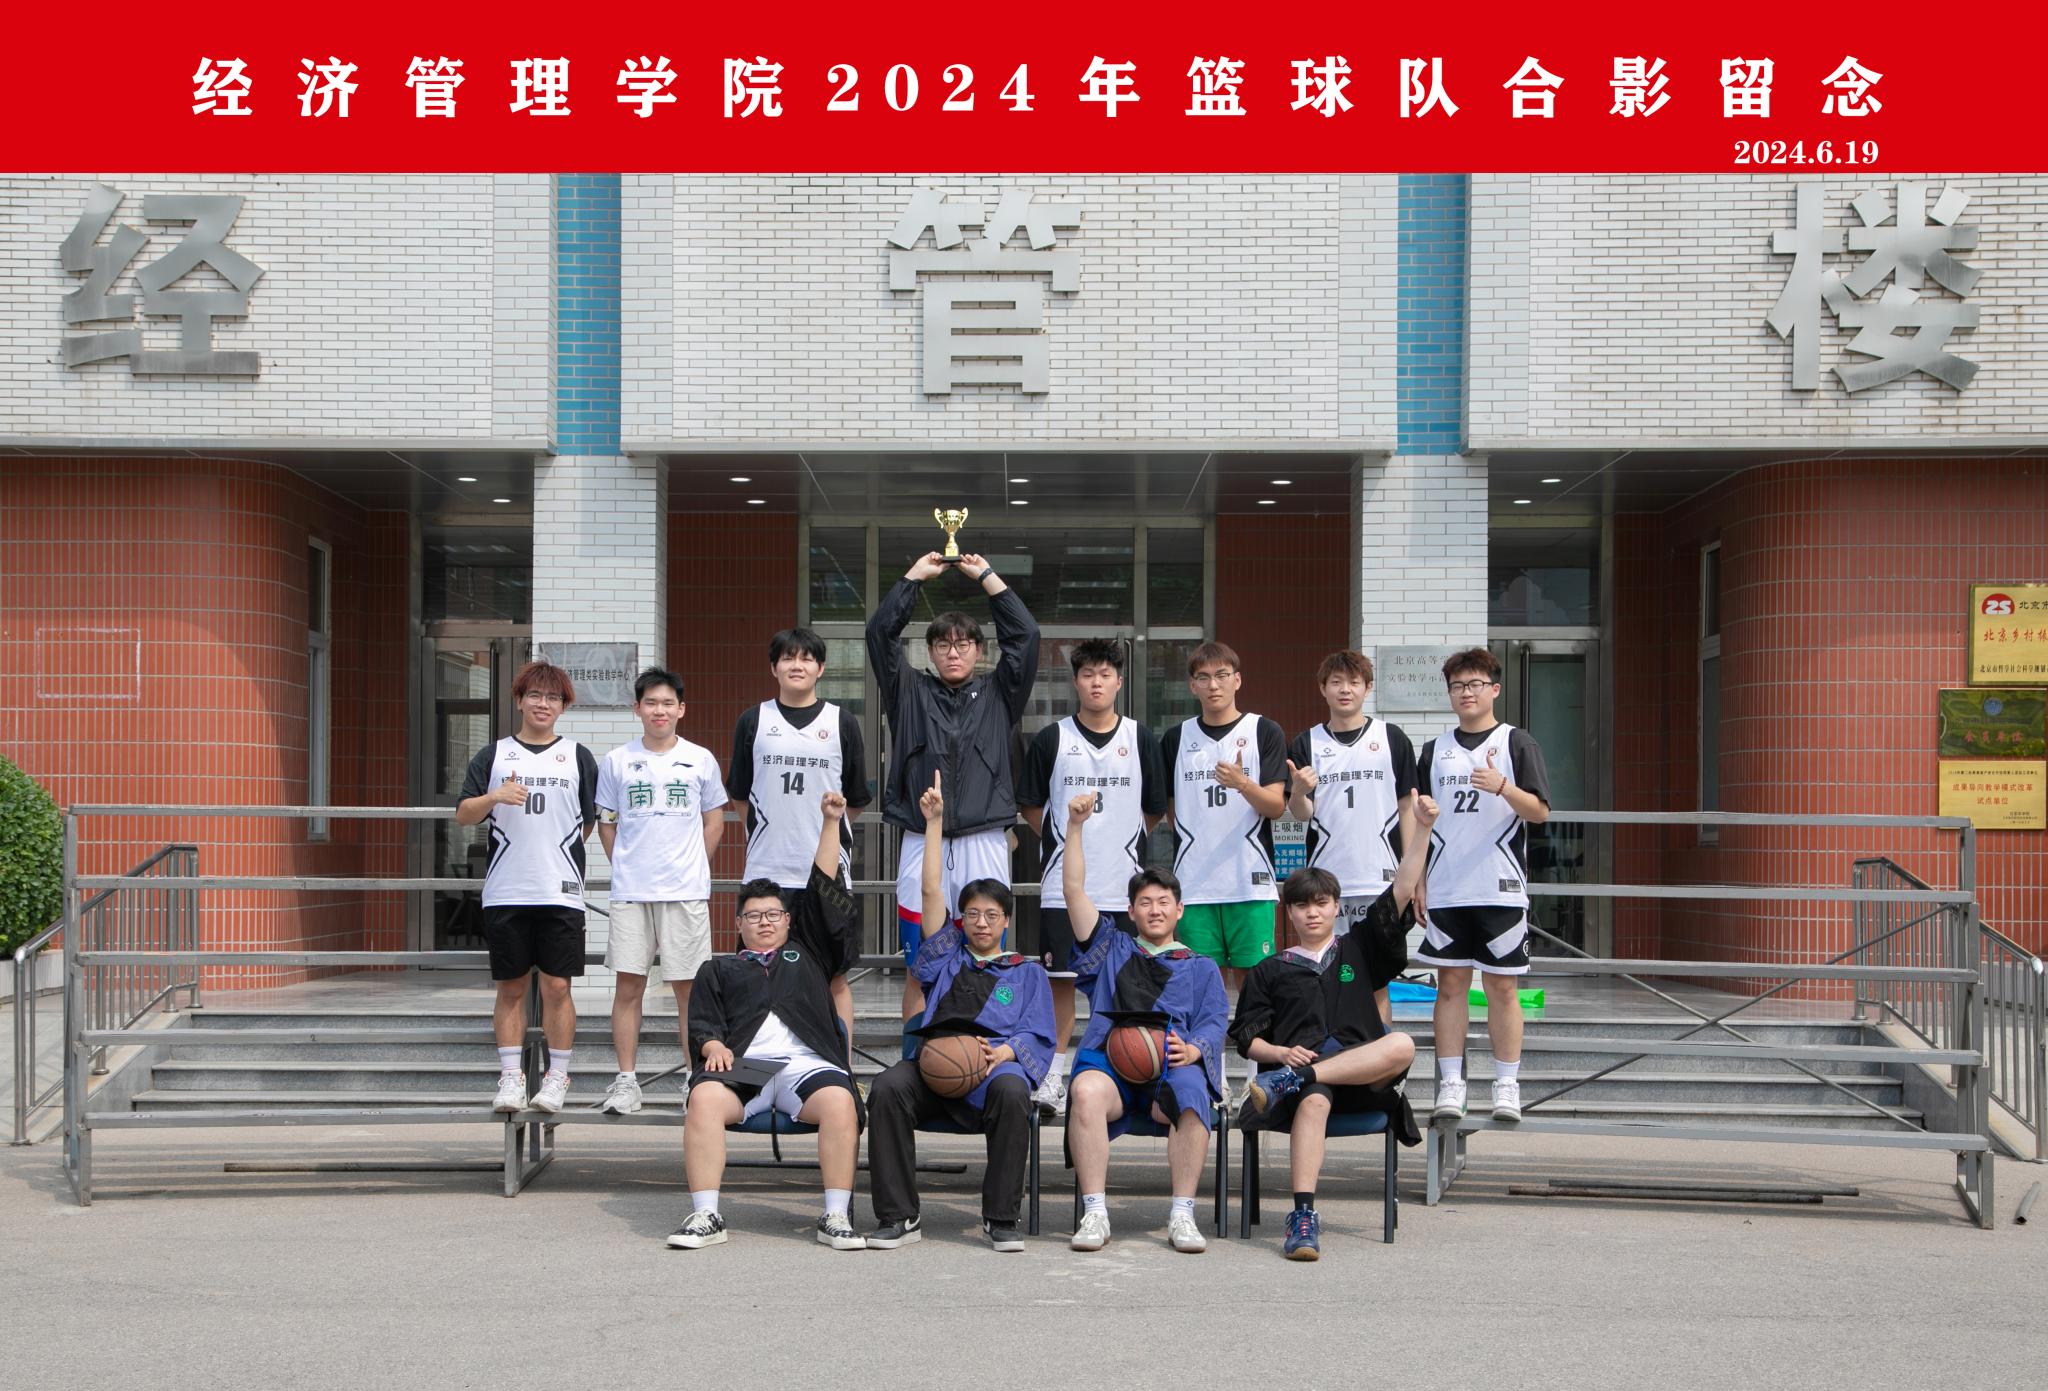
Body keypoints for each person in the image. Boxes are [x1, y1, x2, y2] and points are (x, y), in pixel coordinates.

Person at [1229, 794, 1436, 1260]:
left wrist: (1421, 828)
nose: (1312, 912)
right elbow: (1246, 1039)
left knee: (1400, 1043)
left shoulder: (1358, 947)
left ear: (1337, 906)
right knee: (1314, 1099)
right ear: (1289, 912)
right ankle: (1303, 1216)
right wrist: (1280, 1055)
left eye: (1321, 903)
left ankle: (1299, 1078)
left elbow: (1402, 889)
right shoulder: (1270, 970)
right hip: (1306, 1083)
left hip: (1363, 1078)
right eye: (1302, 905)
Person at [865, 772, 1056, 1252]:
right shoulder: (946, 956)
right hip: (938, 1068)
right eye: (973, 914)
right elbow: (931, 893)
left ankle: (1001, 1219)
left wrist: (1007, 1053)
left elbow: (1038, 1034)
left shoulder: (1026, 972)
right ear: (962, 919)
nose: (982, 923)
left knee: (1014, 1092)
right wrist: (933, 823)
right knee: (888, 1087)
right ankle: (899, 1216)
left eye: (992, 915)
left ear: (1006, 920)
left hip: (991, 1072)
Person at [669, 790, 867, 1251]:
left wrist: (831, 822)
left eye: (773, 914)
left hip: (806, 1064)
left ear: (788, 921)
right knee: (704, 1099)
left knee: (840, 1102)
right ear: (738, 924)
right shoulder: (719, 969)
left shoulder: (809, 954)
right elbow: (701, 1022)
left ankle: (836, 1216)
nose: (764, 922)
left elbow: (823, 886)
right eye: (753, 915)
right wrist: (712, 1045)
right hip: (748, 1065)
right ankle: (706, 1215)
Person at [867, 549, 1039, 1020]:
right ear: (930, 652)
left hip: (984, 838)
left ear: (980, 651)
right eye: (943, 644)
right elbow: (879, 634)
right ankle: (916, 1058)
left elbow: (1026, 636)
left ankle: (982, 1048)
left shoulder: (1000, 694)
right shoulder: (908, 691)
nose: (954, 652)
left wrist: (987, 577)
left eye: (964, 644)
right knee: (919, 965)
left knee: (987, 954)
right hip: (922, 837)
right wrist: (912, 578)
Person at [1059, 792, 1228, 1254]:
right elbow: (1073, 891)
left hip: (1171, 1069)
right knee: (1085, 1090)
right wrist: (1075, 827)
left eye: (1164, 902)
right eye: (1145, 902)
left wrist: (1194, 1050)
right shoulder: (1112, 949)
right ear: (1130, 911)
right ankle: (1095, 1212)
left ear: (1179, 910)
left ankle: (1182, 1214)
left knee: (1194, 1096)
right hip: (1112, 1065)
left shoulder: (1200, 967)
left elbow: (1214, 1023)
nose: (1155, 910)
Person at [1017, 638, 1168, 1114]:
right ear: (1076, 681)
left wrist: (1121, 842)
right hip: (1064, 888)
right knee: (1059, 984)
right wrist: (1067, 841)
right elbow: (1030, 805)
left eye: (1105, 674)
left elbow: (1154, 808)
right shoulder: (1052, 739)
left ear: (1119, 681)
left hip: (1123, 887)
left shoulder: (1140, 738)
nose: (1096, 682)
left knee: (1124, 985)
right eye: (1088, 675)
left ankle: (1123, 1074)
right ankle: (1052, 1077)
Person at [454, 660, 599, 1115]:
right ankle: (511, 1077)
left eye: (553, 697)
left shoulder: (577, 756)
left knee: (557, 986)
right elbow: (464, 814)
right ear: (519, 700)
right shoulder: (494, 755)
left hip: (560, 891)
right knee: (511, 987)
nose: (543, 704)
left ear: (563, 706)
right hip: (506, 889)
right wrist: (494, 797)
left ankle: (557, 1077)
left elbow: (587, 821)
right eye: (535, 695)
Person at [1415, 648, 1552, 1126]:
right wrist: (1418, 880)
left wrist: (1503, 787)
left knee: (1502, 988)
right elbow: (1421, 820)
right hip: (1447, 887)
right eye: (1457, 686)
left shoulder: (1517, 742)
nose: (1466, 693)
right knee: (1449, 986)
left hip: (1500, 886)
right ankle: (1452, 1082)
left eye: (1475, 684)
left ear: (1494, 688)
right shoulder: (1434, 750)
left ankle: (1506, 1084)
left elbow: (1540, 811)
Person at [727, 627, 872, 1061]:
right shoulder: (754, 721)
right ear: (773, 667)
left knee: (834, 977)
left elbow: (855, 800)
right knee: (757, 974)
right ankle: (756, 1069)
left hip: (826, 876)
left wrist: (824, 832)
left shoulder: (842, 722)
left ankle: (841, 1068)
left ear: (820, 668)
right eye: (788, 658)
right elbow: (740, 795)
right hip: (767, 874)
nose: (797, 665)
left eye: (807, 658)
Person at [592, 668, 728, 1116]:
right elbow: (606, 823)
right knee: (628, 984)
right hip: (632, 891)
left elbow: (714, 821)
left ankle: (694, 1079)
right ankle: (627, 1081)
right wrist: (625, 865)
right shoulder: (617, 761)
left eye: (668, 703)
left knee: (689, 989)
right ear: (637, 709)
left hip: (685, 890)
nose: (659, 710)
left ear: (681, 709)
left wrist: (694, 864)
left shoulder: (700, 759)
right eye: (650, 702)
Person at [1284, 650, 1420, 1026]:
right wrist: (1299, 791)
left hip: (1381, 880)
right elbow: (1301, 813)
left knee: (1376, 981)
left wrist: (1412, 874)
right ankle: (1332, 1053)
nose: (1345, 690)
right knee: (1328, 975)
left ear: (1367, 688)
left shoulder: (1391, 738)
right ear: (1322, 689)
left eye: (1354, 682)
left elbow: (1407, 808)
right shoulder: (1306, 743)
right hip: (1327, 884)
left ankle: (1382, 1060)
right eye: (1336, 682)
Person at [1161, 642, 1287, 999]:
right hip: (1194, 883)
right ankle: (1208, 1041)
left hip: (1249, 881)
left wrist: (1242, 783)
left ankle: (1255, 1041)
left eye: (1222, 675)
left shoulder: (1264, 731)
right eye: (1203, 678)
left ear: (1238, 680)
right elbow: (1172, 812)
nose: (1213, 685)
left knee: (1255, 985)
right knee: (1202, 985)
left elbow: (1276, 806)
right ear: (1192, 686)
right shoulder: (1176, 738)